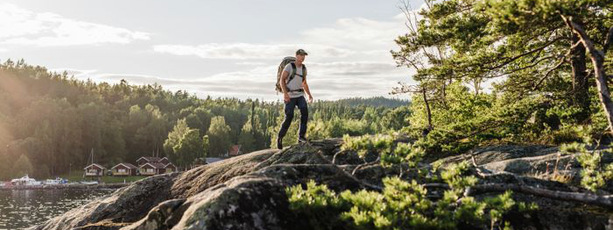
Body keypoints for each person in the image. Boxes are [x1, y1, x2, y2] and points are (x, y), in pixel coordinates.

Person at [277, 49, 313, 149]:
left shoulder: (304, 68)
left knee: (304, 112)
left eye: (304, 55)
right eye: (301, 55)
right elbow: (282, 80)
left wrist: (309, 95)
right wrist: (285, 94)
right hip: (290, 95)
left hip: (300, 94)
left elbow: (304, 83)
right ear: (296, 55)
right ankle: (280, 137)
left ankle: (301, 137)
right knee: (289, 116)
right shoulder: (289, 66)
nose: (303, 57)